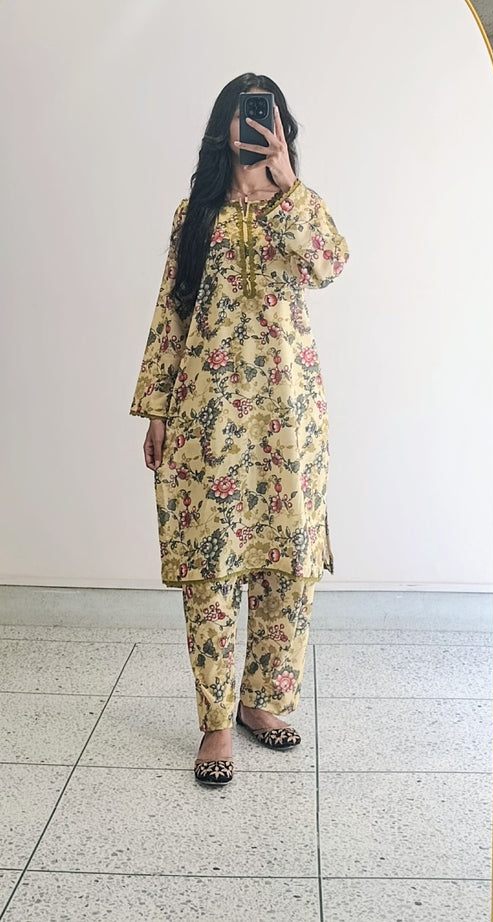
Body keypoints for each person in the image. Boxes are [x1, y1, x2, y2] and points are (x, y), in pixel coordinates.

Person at [130, 73, 349, 785]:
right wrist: (157, 409)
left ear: (282, 128)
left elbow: (330, 264)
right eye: (245, 113)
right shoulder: (195, 215)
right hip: (209, 418)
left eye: (268, 114)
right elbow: (171, 314)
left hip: (289, 417)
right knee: (213, 565)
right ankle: (217, 722)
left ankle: (263, 702)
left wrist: (287, 184)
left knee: (288, 567)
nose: (255, 125)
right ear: (223, 125)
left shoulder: (297, 207)